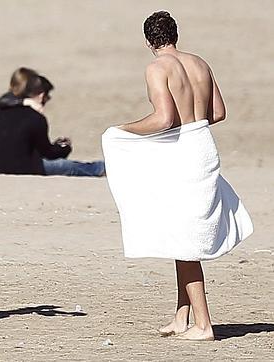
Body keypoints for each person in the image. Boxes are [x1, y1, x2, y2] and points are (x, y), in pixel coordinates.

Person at [117, 11, 229, 341]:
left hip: (183, 151)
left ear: (148, 41)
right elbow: (218, 112)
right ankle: (182, 316)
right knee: (181, 234)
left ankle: (204, 325)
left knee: (185, 237)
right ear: (175, 35)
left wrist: (123, 129)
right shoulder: (199, 63)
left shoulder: (157, 68)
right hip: (204, 144)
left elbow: (163, 119)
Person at [0, 68, 105, 176]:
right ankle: (101, 168)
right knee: (65, 165)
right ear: (42, 95)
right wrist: (63, 148)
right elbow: (48, 153)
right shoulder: (36, 118)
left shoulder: (3, 109)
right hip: (22, 168)